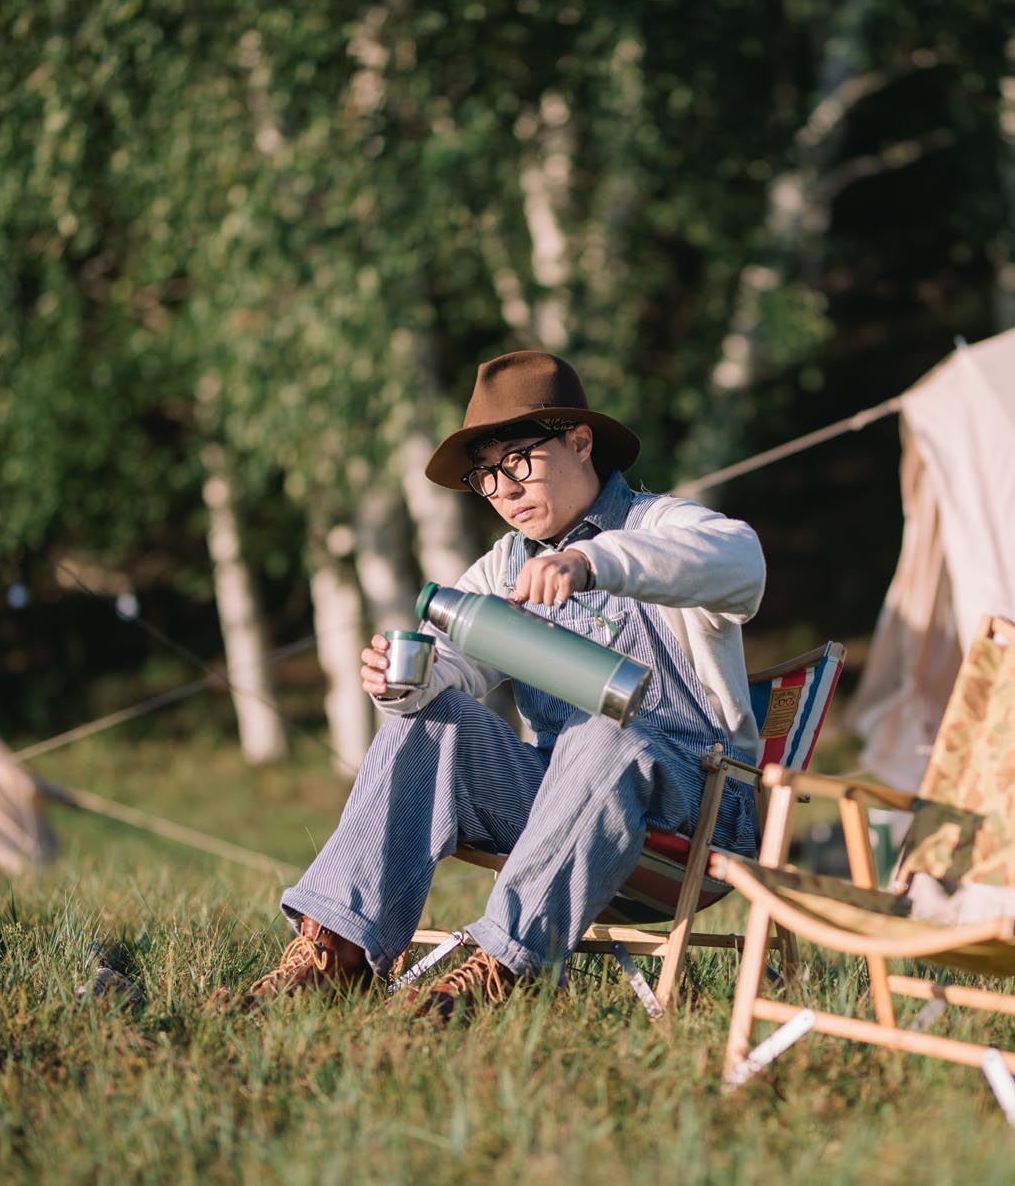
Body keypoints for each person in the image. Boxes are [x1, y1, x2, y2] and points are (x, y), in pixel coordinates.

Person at [230, 350, 765, 1020]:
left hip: (696, 808)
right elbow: (457, 662)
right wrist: (401, 685)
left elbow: (742, 562)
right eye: (486, 475)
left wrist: (590, 561)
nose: (503, 489)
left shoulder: (663, 527)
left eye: (518, 461)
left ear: (579, 442)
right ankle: (336, 951)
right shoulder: (507, 567)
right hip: (558, 803)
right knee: (431, 718)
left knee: (606, 733)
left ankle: (507, 966)